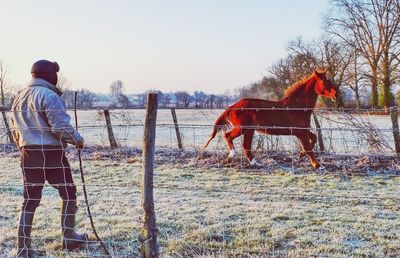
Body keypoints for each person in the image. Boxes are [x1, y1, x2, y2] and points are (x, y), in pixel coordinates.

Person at [10, 60, 87, 257]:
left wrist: (23, 146)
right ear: (50, 74)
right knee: (68, 192)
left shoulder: (18, 97)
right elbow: (60, 127)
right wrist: (78, 140)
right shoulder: (49, 95)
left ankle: (23, 248)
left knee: (30, 199)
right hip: (51, 153)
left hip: (27, 153)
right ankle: (69, 237)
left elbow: (14, 130)